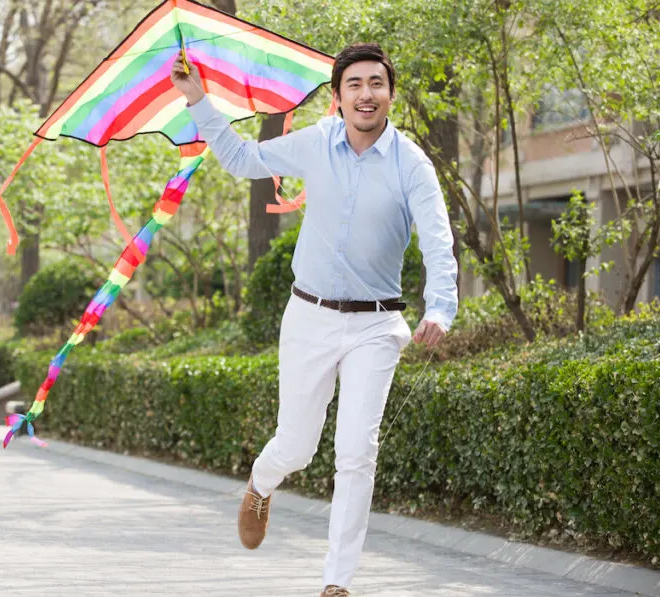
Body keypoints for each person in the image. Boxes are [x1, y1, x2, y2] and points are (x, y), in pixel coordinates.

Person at [171, 43, 458, 596]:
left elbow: (439, 243)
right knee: (297, 446)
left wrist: (441, 307)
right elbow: (241, 160)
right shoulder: (315, 143)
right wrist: (197, 98)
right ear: (338, 97)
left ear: (390, 95)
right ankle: (261, 481)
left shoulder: (411, 164)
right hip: (309, 317)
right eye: (355, 85)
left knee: (356, 454)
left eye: (376, 83)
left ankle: (337, 583)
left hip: (376, 326)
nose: (366, 94)